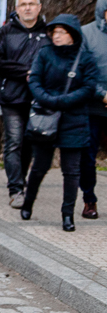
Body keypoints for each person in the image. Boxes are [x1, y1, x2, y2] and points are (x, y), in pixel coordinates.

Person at [19, 15, 98, 232]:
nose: (57, 36)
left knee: (71, 171)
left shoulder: (85, 58)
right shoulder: (45, 54)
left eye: (62, 32)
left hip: (74, 120)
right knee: (40, 166)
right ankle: (27, 203)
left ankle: (67, 215)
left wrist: (64, 101)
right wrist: (48, 99)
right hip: (46, 116)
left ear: (73, 34)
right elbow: (34, 80)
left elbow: (89, 87)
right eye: (55, 32)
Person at [0, 0, 48, 209]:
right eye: (23, 4)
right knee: (13, 142)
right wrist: (24, 72)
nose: (28, 8)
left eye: (31, 4)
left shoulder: (48, 33)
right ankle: (15, 189)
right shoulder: (4, 33)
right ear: (16, 8)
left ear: (39, 7)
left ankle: (21, 181)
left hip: (38, 98)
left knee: (29, 143)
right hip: (12, 97)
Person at [79, 0, 107, 219]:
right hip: (92, 107)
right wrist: (102, 94)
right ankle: (89, 199)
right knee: (88, 157)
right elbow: (82, 71)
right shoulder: (86, 34)